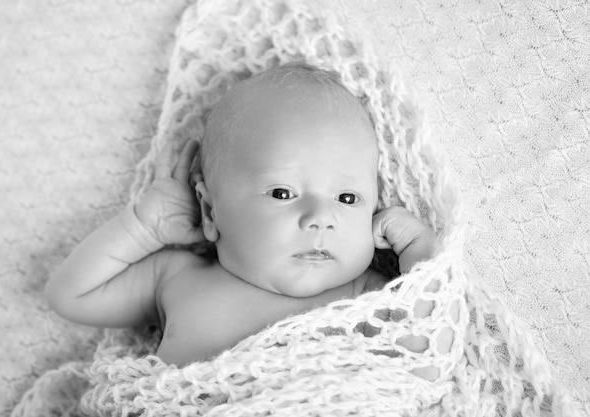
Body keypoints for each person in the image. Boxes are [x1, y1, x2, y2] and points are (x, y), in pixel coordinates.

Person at [45, 63, 440, 368]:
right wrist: (144, 228)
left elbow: (427, 364)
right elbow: (71, 295)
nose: (321, 217)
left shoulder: (366, 297)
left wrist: (421, 256)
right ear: (210, 211)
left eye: (348, 197)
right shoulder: (178, 278)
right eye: (283, 192)